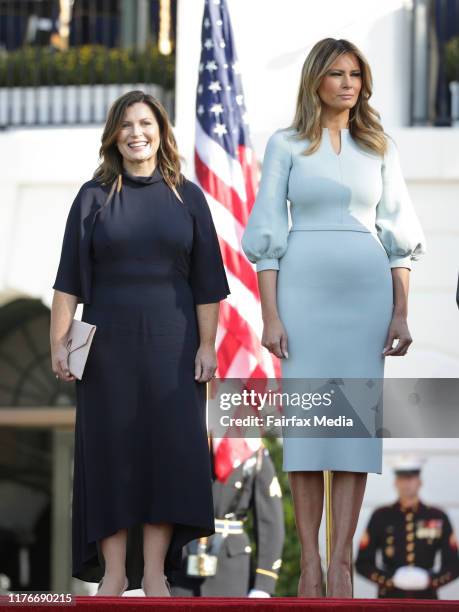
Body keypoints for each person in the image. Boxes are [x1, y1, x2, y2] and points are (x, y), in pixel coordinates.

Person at [241, 38, 426, 598]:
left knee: (351, 433)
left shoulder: (381, 147)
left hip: (366, 301)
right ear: (316, 81)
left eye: (356, 75)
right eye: (337, 74)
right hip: (302, 297)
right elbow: (267, 237)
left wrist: (401, 313)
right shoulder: (286, 145)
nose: (349, 83)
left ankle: (341, 563)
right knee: (309, 433)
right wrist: (270, 316)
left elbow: (399, 238)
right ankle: (312, 569)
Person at [49, 90, 230, 596]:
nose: (136, 133)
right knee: (108, 453)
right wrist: (58, 344)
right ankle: (114, 574)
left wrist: (208, 345)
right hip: (105, 351)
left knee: (165, 453)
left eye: (145, 123)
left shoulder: (187, 196)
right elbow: (67, 282)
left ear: (161, 131)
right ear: (114, 135)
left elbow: (208, 283)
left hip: (175, 349)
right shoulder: (92, 195)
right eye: (126, 124)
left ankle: (154, 572)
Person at [170, 440, 285, 597]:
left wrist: (263, 584)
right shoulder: (187, 441)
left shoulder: (252, 451)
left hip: (232, 566)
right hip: (182, 559)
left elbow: (271, 523)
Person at [356, 454, 459, 598]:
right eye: (402, 478)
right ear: (395, 482)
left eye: (410, 478)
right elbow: (363, 563)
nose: (406, 483)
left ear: (419, 481)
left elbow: (454, 565)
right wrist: (390, 580)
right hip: (389, 599)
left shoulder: (438, 516)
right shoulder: (381, 516)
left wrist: (430, 580)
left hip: (427, 600)